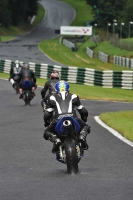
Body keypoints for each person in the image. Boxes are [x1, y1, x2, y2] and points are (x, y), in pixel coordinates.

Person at [43, 80, 91, 153]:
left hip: (58, 119)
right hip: (73, 118)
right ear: (68, 88)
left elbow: (47, 114)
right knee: (87, 127)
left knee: (46, 132)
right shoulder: (74, 96)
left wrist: (46, 123)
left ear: (56, 89)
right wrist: (84, 120)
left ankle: (55, 139)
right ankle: (82, 136)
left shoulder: (52, 98)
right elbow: (83, 111)